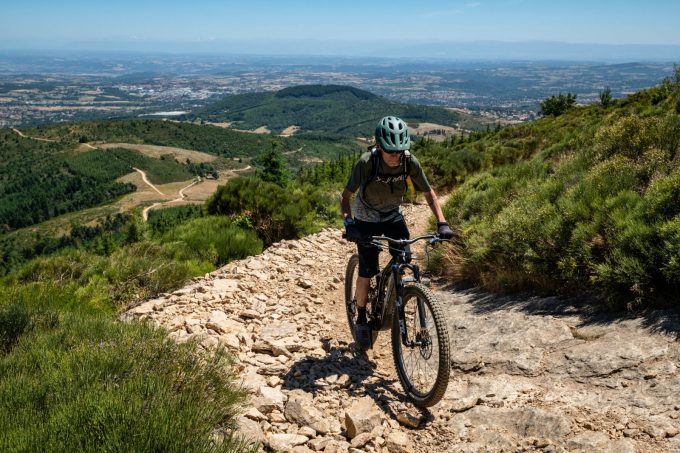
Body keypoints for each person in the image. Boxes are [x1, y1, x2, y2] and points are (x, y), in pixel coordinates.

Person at [339, 116, 455, 348]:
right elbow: (345, 197)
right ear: (379, 146)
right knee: (367, 269)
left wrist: (442, 222)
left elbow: (429, 194)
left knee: (404, 258)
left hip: (392, 213)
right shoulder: (366, 163)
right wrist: (350, 224)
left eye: (399, 151)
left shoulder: (409, 162)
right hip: (366, 216)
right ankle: (361, 316)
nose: (395, 156)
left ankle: (394, 294)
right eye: (390, 151)